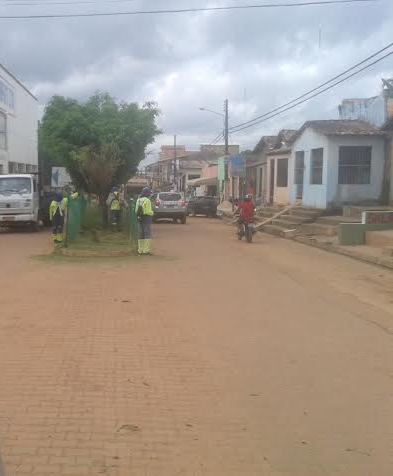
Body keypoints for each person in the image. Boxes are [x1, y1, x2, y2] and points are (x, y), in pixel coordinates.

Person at [135, 187, 154, 255]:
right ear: (148, 194)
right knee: (147, 233)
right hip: (147, 218)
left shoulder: (138, 200)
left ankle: (140, 250)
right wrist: (152, 213)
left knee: (140, 233)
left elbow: (136, 210)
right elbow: (148, 211)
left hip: (139, 218)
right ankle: (146, 250)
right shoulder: (147, 200)